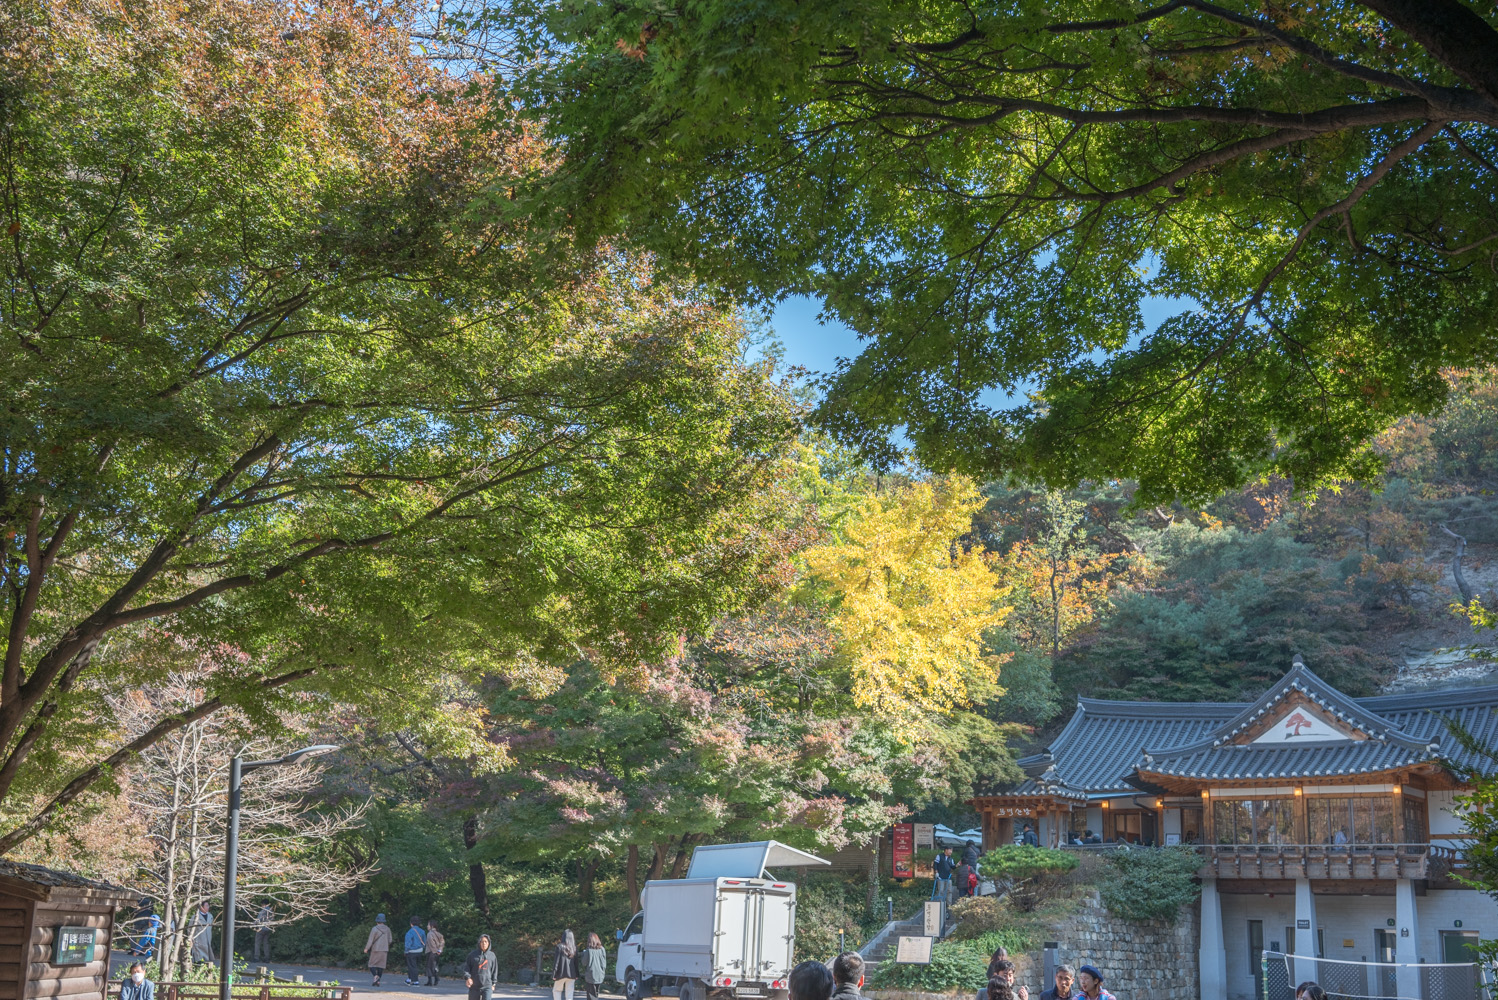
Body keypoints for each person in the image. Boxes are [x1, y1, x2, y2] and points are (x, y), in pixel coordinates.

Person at [465, 933, 498, 1000]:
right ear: (479, 943)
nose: (484, 943)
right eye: (482, 942)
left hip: (487, 985)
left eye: (486, 941)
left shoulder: (492, 956)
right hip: (474, 985)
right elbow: (467, 969)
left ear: (489, 943)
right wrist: (468, 978)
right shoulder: (472, 955)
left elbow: (495, 970)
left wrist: (493, 983)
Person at [364, 913, 393, 987]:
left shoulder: (374, 929)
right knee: (381, 965)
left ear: (377, 920)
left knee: (371, 964)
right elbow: (390, 940)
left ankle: (375, 976)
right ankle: (378, 980)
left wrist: (367, 948)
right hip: (384, 949)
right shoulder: (388, 929)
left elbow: (370, 940)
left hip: (375, 949)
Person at [552, 929, 578, 1000]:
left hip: (560, 973)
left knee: (557, 990)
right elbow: (576, 963)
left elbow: (556, 962)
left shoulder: (559, 947)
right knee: (569, 993)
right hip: (572, 974)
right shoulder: (574, 948)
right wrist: (577, 974)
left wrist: (554, 974)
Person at [581, 933, 608, 1000]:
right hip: (600, 974)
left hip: (591, 975)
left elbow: (584, 963)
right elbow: (604, 963)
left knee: (591, 995)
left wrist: (583, 954)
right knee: (596, 993)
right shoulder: (602, 949)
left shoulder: (588, 950)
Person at [404, 917, 428, 986]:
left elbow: (408, 943)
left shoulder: (410, 932)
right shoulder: (422, 931)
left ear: (411, 923)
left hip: (411, 951)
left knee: (411, 966)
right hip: (419, 951)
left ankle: (415, 981)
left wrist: (406, 951)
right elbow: (424, 941)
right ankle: (409, 979)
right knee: (416, 966)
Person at [425, 921, 446, 986]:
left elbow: (432, 944)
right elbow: (442, 942)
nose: (427, 926)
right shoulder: (438, 934)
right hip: (437, 952)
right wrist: (439, 950)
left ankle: (431, 980)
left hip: (431, 952)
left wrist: (435, 951)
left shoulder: (430, 934)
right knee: (434, 966)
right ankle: (435, 979)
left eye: (428, 925)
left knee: (429, 966)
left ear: (432, 926)